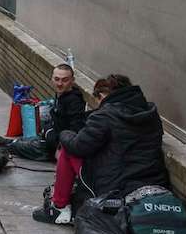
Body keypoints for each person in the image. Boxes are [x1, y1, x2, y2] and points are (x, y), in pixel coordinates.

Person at [33, 74, 168, 225]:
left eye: (97, 99)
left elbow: (79, 146)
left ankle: (59, 207)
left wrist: (64, 134)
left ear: (102, 95)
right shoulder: (150, 113)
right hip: (151, 179)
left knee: (68, 150)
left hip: (114, 185)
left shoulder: (104, 115)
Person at [10, 63, 87, 161]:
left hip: (54, 148)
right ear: (51, 79)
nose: (59, 83)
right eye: (56, 79)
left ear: (72, 81)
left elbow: (73, 133)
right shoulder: (62, 95)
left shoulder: (74, 102)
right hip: (49, 139)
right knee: (17, 141)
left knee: (14, 146)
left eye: (65, 80)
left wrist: (48, 133)